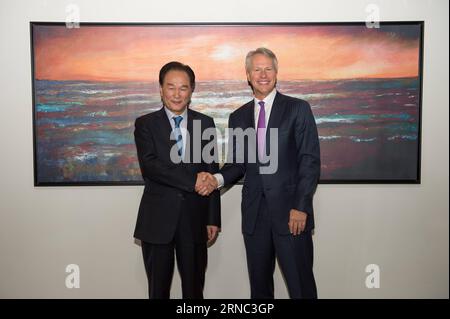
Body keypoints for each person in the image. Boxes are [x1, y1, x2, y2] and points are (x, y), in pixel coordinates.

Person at [198, 48, 320, 299]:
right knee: (260, 290)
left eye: (268, 69)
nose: (263, 74)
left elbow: (309, 161)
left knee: (301, 287)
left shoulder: (298, 109)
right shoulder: (238, 116)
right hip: (255, 217)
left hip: (291, 214)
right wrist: (216, 179)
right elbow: (238, 164)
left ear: (276, 73)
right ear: (248, 75)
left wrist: (301, 207)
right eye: (257, 69)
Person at [134, 61, 221, 299]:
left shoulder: (205, 123)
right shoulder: (145, 124)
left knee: (194, 292)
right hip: (157, 221)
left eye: (183, 88)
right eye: (170, 87)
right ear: (160, 89)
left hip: (195, 219)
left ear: (191, 90)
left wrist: (213, 218)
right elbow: (152, 167)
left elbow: (211, 172)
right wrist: (193, 180)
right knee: (158, 291)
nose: (176, 94)